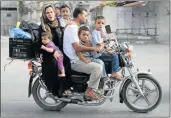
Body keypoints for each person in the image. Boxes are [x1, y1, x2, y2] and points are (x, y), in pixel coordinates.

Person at [63, 7, 104, 100]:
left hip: (76, 58)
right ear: (79, 16)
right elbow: (77, 47)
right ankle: (89, 91)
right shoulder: (72, 28)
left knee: (98, 62)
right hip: (74, 61)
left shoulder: (74, 27)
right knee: (97, 68)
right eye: (85, 16)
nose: (86, 18)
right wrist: (95, 48)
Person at [37, 4, 72, 97]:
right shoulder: (43, 27)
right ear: (44, 14)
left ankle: (66, 87)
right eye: (47, 13)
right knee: (54, 63)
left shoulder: (58, 24)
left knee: (68, 60)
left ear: (54, 12)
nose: (50, 14)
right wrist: (53, 52)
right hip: (48, 53)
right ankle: (56, 90)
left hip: (58, 50)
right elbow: (41, 43)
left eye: (51, 12)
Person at [91, 16, 123, 81]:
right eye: (98, 23)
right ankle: (114, 73)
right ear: (95, 24)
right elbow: (100, 45)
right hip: (97, 54)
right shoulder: (95, 33)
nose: (100, 24)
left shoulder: (100, 32)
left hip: (100, 52)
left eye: (102, 23)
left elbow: (106, 39)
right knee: (114, 56)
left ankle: (112, 73)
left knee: (114, 53)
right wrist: (108, 51)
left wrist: (110, 47)